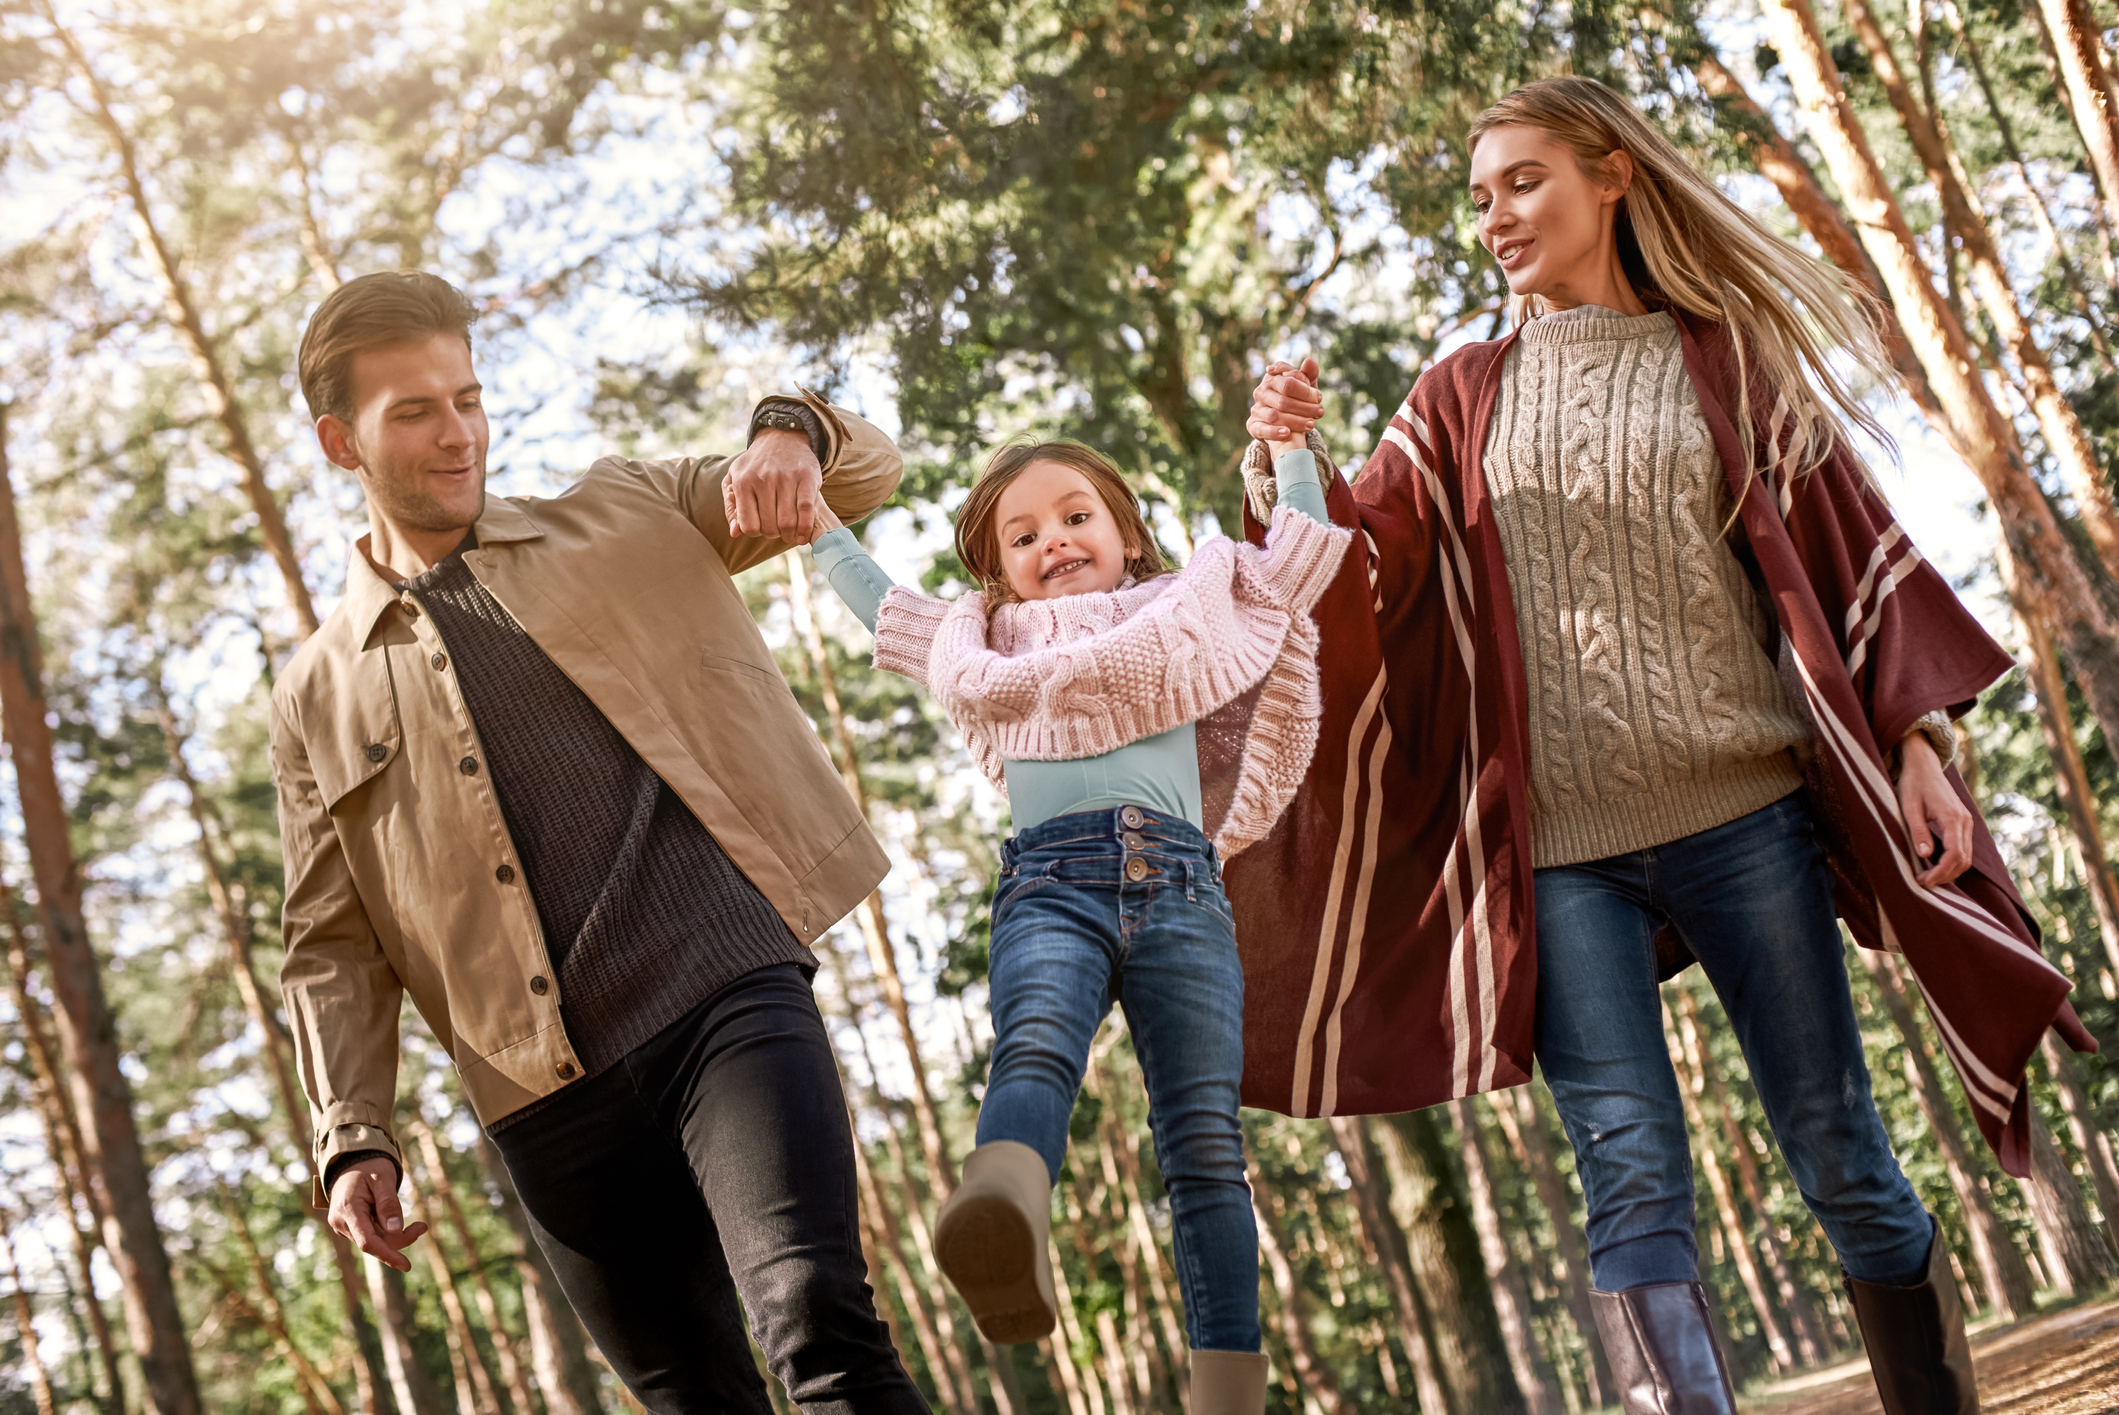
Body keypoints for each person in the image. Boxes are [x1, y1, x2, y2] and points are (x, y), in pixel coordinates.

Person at [1240, 76, 2091, 1415]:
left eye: (1522, 180)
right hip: (1560, 858)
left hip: (1745, 817)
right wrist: (1290, 462)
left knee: (1837, 1151)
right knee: (1627, 1175)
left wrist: (1920, 742)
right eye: (1478, 196)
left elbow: (1843, 559)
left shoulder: (1726, 361)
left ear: (1610, 172)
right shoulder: (1459, 392)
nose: (1494, 217)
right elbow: (1362, 567)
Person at [272, 270, 929, 1414]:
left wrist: (788, 429)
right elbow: (328, 938)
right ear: (341, 443)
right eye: (414, 412)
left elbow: (866, 470)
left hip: (721, 986)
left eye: (468, 398)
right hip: (545, 1093)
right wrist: (352, 1132)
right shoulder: (313, 693)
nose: (458, 432)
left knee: (814, 1309)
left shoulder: (624, 510)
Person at [786, 438, 1348, 1414]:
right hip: (1051, 882)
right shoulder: (981, 644)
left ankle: (1227, 1392)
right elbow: (880, 602)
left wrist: (1292, 449)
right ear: (996, 570)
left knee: (1205, 1143)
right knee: (1037, 1043)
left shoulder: (1185, 608)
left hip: (1183, 888)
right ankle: (1002, 1204)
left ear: (1126, 533)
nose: (1053, 539)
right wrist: (815, 521)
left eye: (1075, 515)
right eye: (1023, 534)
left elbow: (1297, 559)